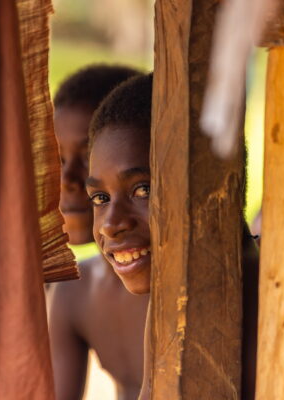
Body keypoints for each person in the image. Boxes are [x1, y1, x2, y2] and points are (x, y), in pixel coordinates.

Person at [86, 73, 259, 399]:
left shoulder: (258, 291)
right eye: (101, 198)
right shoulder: (176, 288)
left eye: (143, 190)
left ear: (210, 183)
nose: (110, 224)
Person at [49, 65, 149, 400]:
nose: (67, 179)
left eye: (85, 156)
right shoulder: (73, 293)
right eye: (57, 158)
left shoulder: (179, 290)